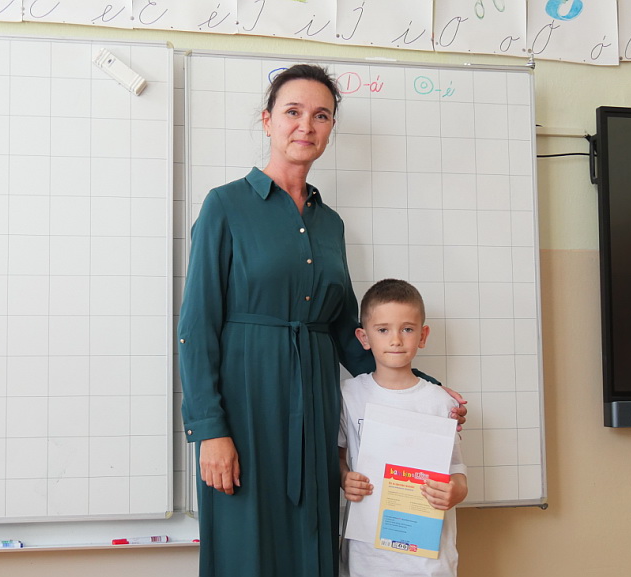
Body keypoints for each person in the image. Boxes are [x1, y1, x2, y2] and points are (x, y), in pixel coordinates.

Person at [178, 64, 465, 577]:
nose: (306, 126)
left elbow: (347, 331)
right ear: (267, 120)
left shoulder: (330, 223)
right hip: (245, 404)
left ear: (330, 128)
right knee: (247, 545)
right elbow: (197, 327)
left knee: (311, 537)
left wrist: (425, 391)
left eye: (321, 116)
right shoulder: (225, 206)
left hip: (315, 405)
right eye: (293, 112)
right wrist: (209, 430)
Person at [339, 279, 468, 577]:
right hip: (367, 558)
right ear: (363, 337)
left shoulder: (440, 401)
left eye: (407, 329)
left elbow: (457, 472)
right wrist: (344, 478)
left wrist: (455, 492)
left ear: (423, 336)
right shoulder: (350, 395)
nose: (396, 340)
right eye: (383, 330)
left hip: (427, 562)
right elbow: (338, 457)